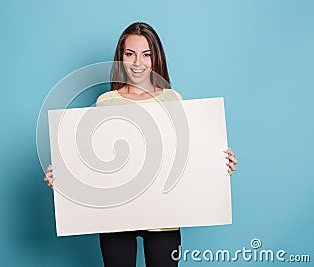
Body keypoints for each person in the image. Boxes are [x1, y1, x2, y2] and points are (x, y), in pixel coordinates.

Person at [44, 22, 238, 267]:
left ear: (156, 58)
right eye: (130, 54)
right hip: (116, 218)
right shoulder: (105, 102)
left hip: (164, 217)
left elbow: (187, 154)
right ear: (120, 58)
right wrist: (64, 174)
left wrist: (217, 163)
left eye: (146, 54)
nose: (138, 62)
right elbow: (95, 161)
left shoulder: (172, 98)